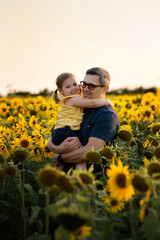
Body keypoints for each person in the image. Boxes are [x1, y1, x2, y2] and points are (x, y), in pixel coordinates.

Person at [47, 67, 120, 176]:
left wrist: (59, 157)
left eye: (91, 86)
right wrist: (57, 148)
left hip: (92, 184)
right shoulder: (80, 107)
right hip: (67, 184)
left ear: (105, 89)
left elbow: (89, 151)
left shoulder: (106, 115)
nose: (85, 89)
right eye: (84, 84)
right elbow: (57, 133)